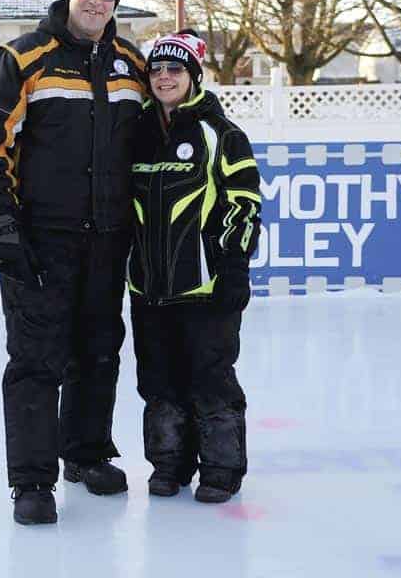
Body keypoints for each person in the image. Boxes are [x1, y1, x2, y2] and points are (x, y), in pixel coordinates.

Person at [0, 0, 146, 525]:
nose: (96, 0)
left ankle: (86, 454)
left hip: (108, 239)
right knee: (36, 362)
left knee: (97, 354)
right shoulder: (23, 57)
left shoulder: (131, 64)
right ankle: (32, 482)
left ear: (115, 3)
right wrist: (5, 225)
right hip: (41, 239)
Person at [128, 30, 262, 503]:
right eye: (157, 69)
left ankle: (222, 469)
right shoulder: (135, 133)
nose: (164, 76)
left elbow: (244, 203)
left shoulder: (221, 134)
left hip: (206, 286)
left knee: (210, 378)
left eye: (175, 69)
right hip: (147, 288)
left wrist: (234, 269)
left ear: (194, 76)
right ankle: (169, 465)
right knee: (158, 380)